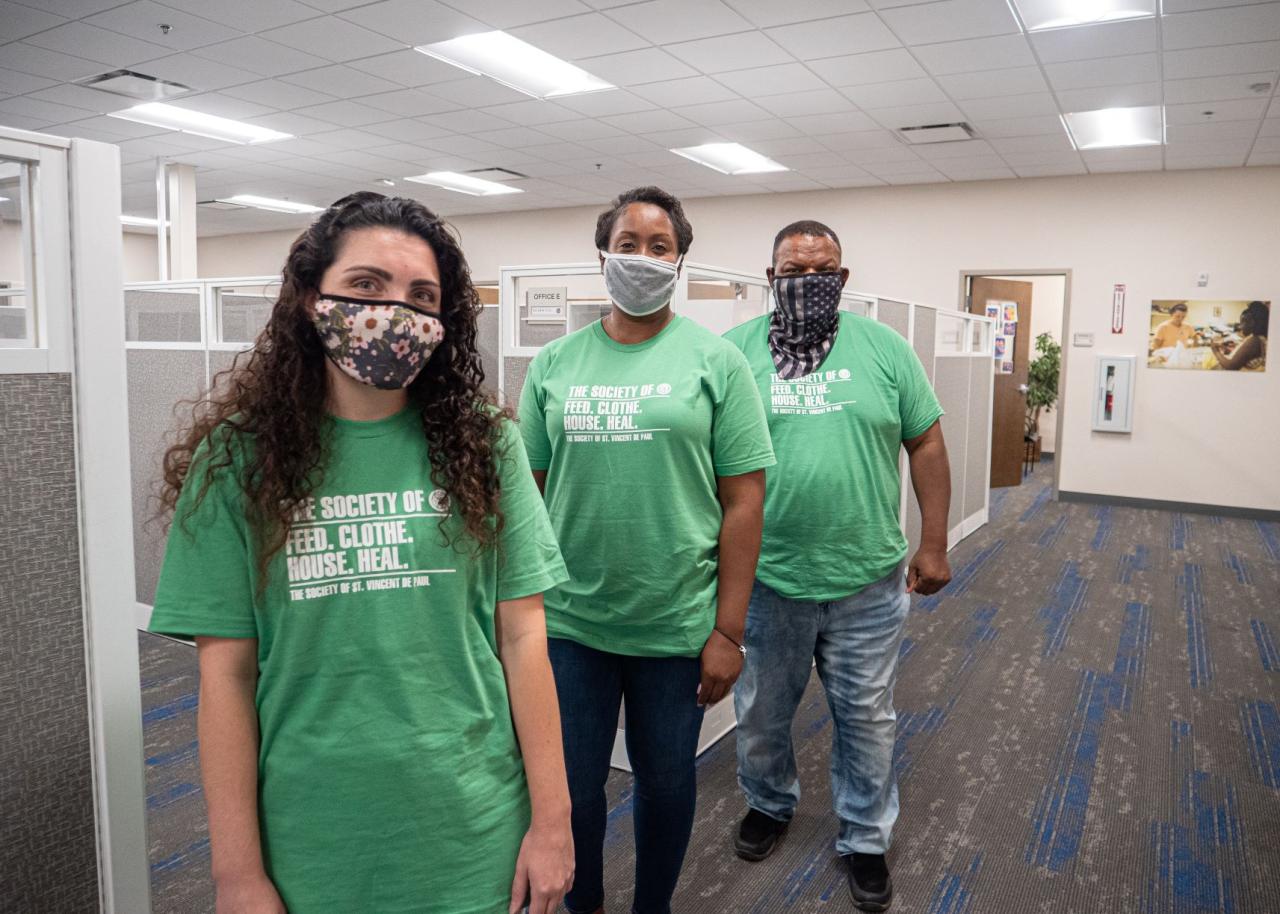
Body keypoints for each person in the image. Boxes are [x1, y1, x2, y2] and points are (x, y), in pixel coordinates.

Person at [148, 192, 574, 914]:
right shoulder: (236, 460)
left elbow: (523, 635)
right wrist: (236, 873)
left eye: (422, 295)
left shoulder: (485, 445)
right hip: (311, 839)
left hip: (472, 827)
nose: (395, 311)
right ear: (312, 299)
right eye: (367, 286)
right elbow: (225, 674)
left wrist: (554, 823)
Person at [518, 186, 775, 914]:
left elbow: (744, 502)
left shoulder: (717, 361)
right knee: (574, 787)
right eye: (627, 243)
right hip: (570, 624)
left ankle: (652, 907)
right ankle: (585, 903)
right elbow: (525, 497)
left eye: (658, 246)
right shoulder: (556, 363)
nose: (641, 258)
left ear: (680, 259)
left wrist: (729, 630)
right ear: (603, 256)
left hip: (676, 624)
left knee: (665, 782)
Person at [723, 220, 953, 913]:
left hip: (867, 581)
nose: (808, 283)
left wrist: (935, 541)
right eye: (793, 272)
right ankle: (768, 803)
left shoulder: (885, 349)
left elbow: (928, 441)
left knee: (866, 718)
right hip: (768, 581)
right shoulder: (734, 354)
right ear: (770, 278)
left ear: (844, 279)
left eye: (822, 271)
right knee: (762, 713)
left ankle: (865, 837)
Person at [1212, 300, 1268, 371]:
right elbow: (1243, 356)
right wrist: (1227, 349)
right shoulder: (1256, 338)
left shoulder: (1255, 340)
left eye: (1245, 321)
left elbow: (1230, 366)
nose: (1240, 327)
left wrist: (1215, 350)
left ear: (1255, 322)